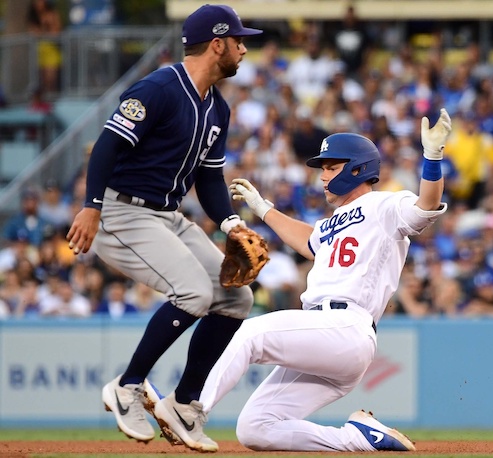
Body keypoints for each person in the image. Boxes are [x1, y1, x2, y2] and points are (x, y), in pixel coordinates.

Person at [151, 109, 453, 452]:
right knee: (255, 428)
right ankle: (356, 439)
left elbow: (426, 206)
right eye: (322, 167)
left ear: (358, 169)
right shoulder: (334, 222)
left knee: (249, 331)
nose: (322, 175)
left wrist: (432, 157)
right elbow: (310, 241)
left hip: (346, 326)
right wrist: (263, 209)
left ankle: (191, 410)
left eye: (331, 167)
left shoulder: (385, 206)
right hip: (326, 336)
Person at [65, 4, 263, 447]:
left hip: (167, 215)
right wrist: (91, 206)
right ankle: (127, 386)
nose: (243, 48)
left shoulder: (218, 109)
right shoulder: (158, 88)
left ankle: (183, 403)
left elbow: (210, 177)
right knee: (193, 291)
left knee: (236, 297)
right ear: (217, 44)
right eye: (238, 40)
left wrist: (230, 223)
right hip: (122, 212)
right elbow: (107, 146)